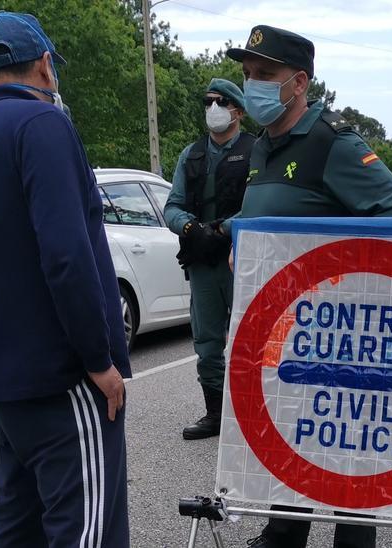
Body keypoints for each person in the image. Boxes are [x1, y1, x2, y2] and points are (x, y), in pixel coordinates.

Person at [0, 11, 131, 548]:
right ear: (46, 66)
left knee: (17, 528)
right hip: (64, 381)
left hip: (5, 389)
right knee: (86, 531)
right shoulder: (44, 126)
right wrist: (99, 361)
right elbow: (67, 255)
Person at [225, 24, 392, 548]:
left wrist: (334, 271)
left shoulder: (333, 144)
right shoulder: (262, 148)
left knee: (345, 467)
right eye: (248, 75)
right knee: (292, 447)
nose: (253, 85)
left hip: (337, 335)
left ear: (299, 82)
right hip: (279, 334)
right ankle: (282, 533)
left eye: (265, 75)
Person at [165, 78, 253, 440]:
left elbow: (262, 204)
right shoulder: (192, 154)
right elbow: (172, 206)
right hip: (203, 261)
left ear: (237, 110)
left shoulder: (256, 151)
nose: (213, 108)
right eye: (208, 102)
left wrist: (224, 230)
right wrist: (190, 228)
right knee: (207, 343)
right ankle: (216, 413)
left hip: (242, 258)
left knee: (251, 337)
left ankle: (251, 414)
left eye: (220, 102)